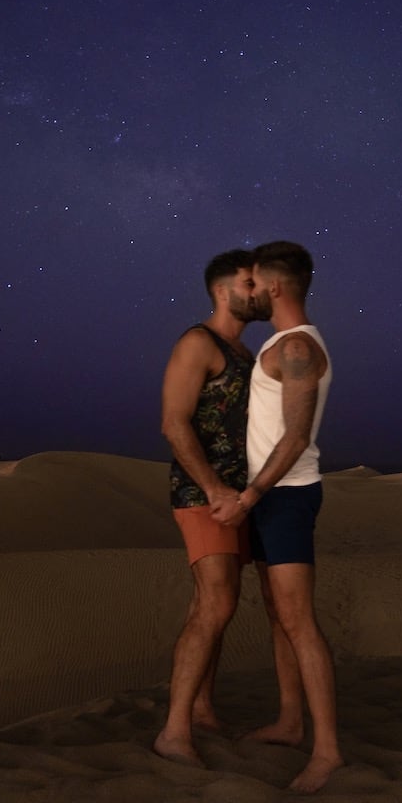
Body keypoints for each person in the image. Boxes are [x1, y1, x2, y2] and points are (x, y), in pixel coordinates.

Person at [213, 239, 342, 793]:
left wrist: (249, 496)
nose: (252, 292)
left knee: (298, 621)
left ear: (276, 287)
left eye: (255, 283)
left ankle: (328, 751)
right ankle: (291, 722)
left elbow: (294, 437)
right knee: (278, 615)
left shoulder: (297, 349)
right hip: (271, 498)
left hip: (284, 496)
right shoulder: (283, 344)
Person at [152, 249, 260, 768]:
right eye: (248, 282)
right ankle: (173, 732)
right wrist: (214, 489)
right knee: (216, 603)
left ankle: (201, 710)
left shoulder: (244, 353)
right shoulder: (198, 342)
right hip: (204, 495)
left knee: (217, 605)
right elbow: (174, 423)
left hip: (237, 499)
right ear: (223, 290)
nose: (257, 291)